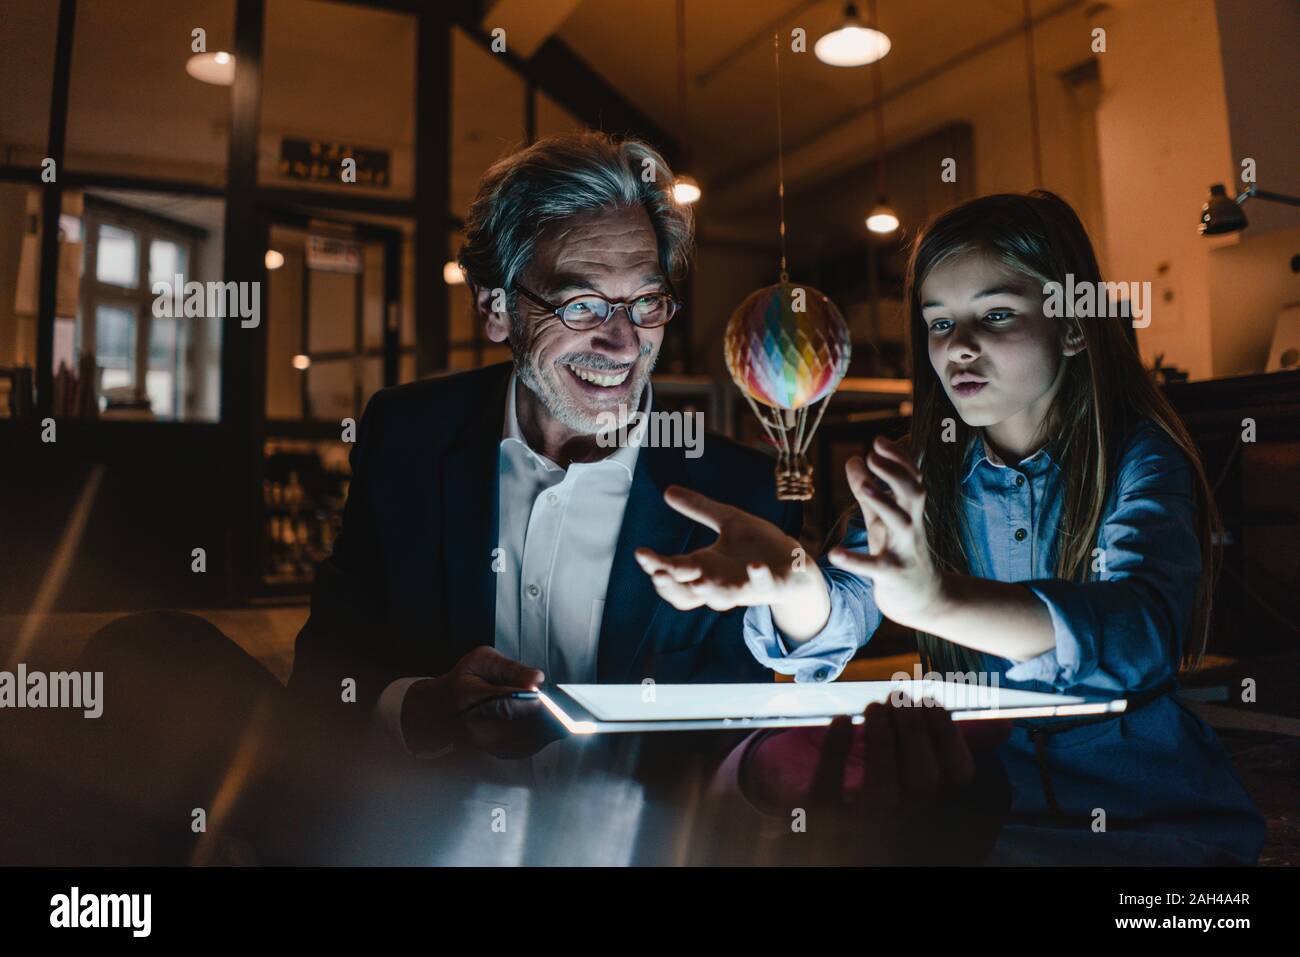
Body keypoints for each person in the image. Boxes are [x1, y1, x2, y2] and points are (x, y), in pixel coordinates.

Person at [637, 191, 1267, 865]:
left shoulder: (1141, 456)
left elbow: (1140, 629)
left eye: (996, 314)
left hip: (1162, 831)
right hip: (988, 829)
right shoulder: (915, 467)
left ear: (1076, 326)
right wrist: (793, 580)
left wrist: (936, 601)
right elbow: (842, 610)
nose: (959, 346)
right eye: (939, 323)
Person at [287, 131, 800, 766]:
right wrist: (422, 708)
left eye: (645, 301)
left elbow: (741, 742)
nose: (623, 342)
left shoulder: (743, 493)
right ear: (495, 308)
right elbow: (324, 675)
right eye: (580, 305)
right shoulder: (406, 438)